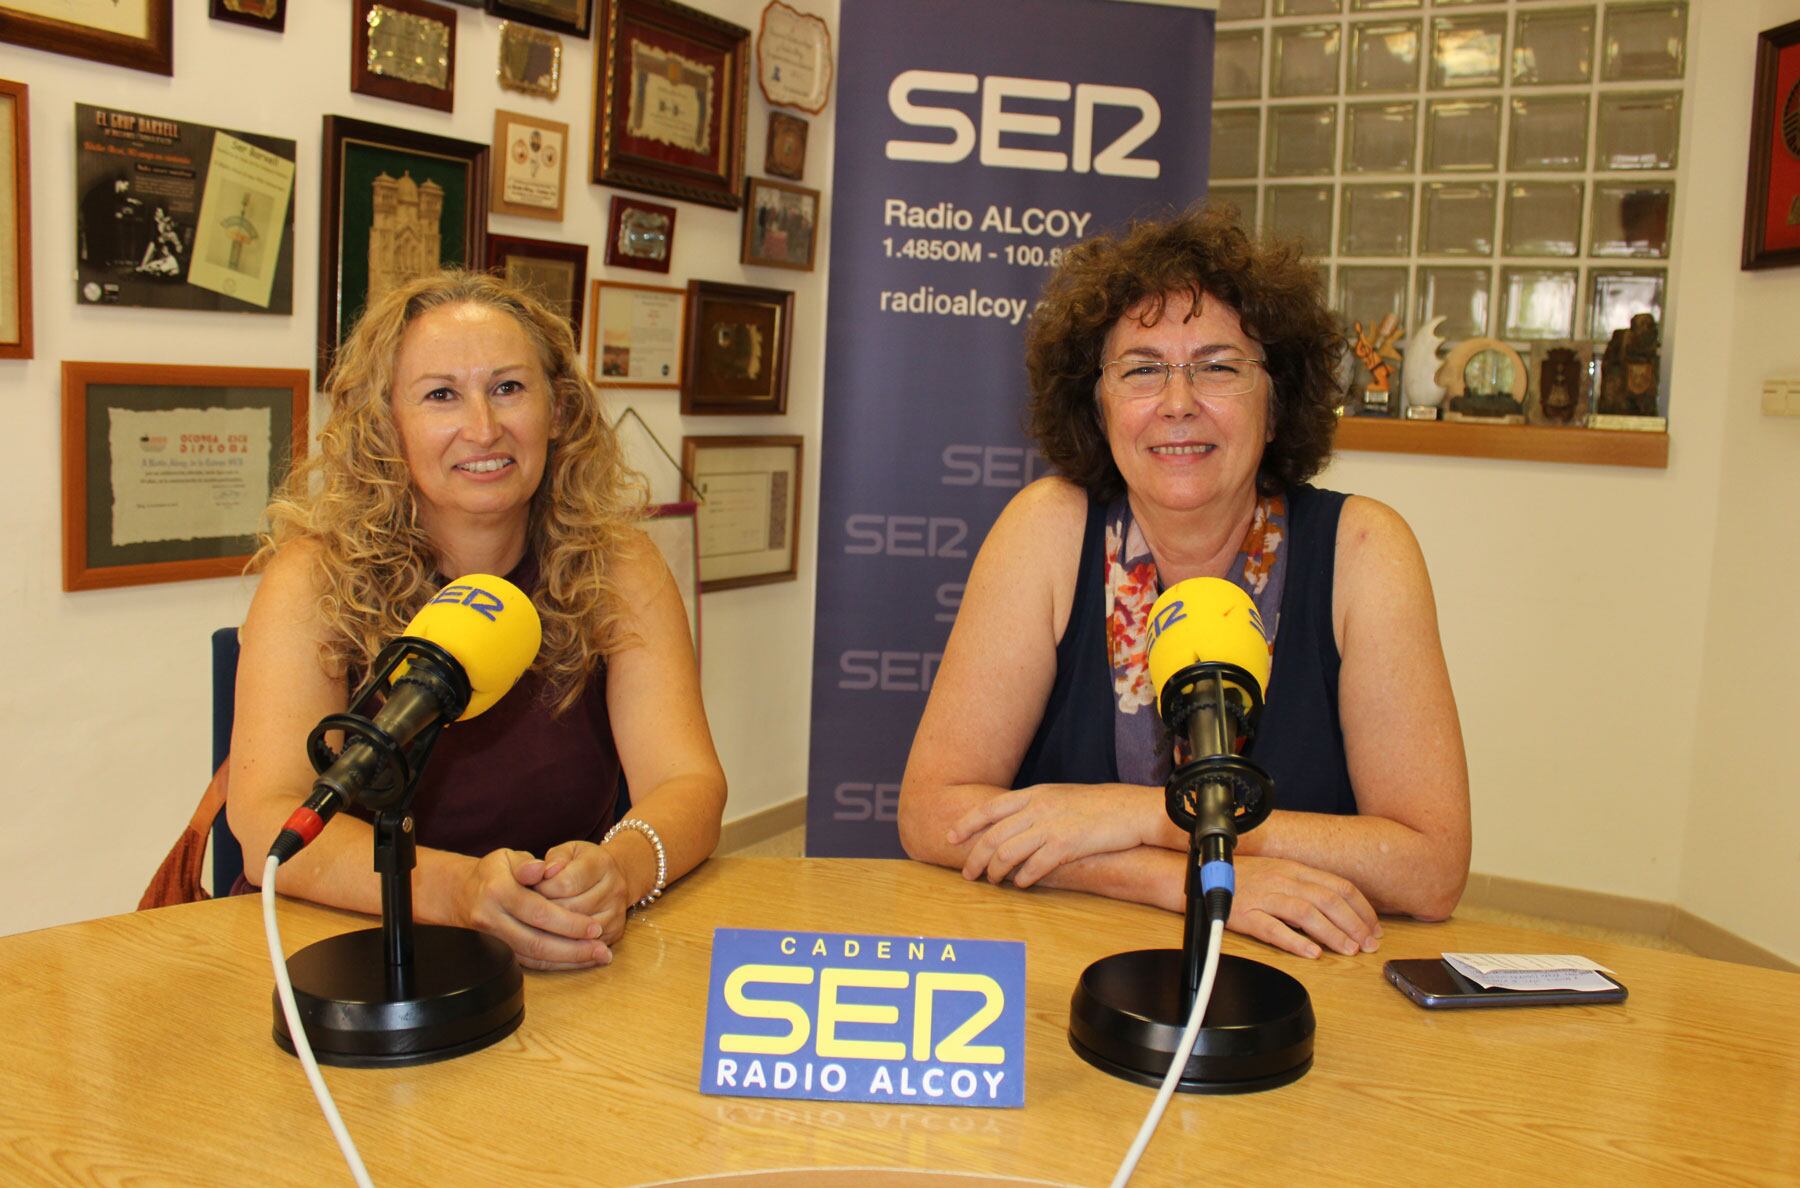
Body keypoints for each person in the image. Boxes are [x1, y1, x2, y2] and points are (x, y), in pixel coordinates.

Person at [898, 205, 1470, 960]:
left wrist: (1139, 817)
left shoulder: (1364, 549)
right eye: (1142, 369)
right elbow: (932, 813)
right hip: (1068, 956)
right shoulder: (1046, 529)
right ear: (1098, 406)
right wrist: (1189, 880)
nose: (1177, 403)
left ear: (1276, 403)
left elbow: (1429, 869)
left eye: (1218, 367)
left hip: (1297, 974)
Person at [229, 271, 726, 971]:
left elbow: (689, 783)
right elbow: (267, 819)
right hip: (346, 952)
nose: (484, 428)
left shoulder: (620, 568)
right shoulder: (314, 578)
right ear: (386, 424)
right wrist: (461, 892)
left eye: (508, 388)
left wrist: (622, 868)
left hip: (559, 950)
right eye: (441, 395)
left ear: (559, 410)